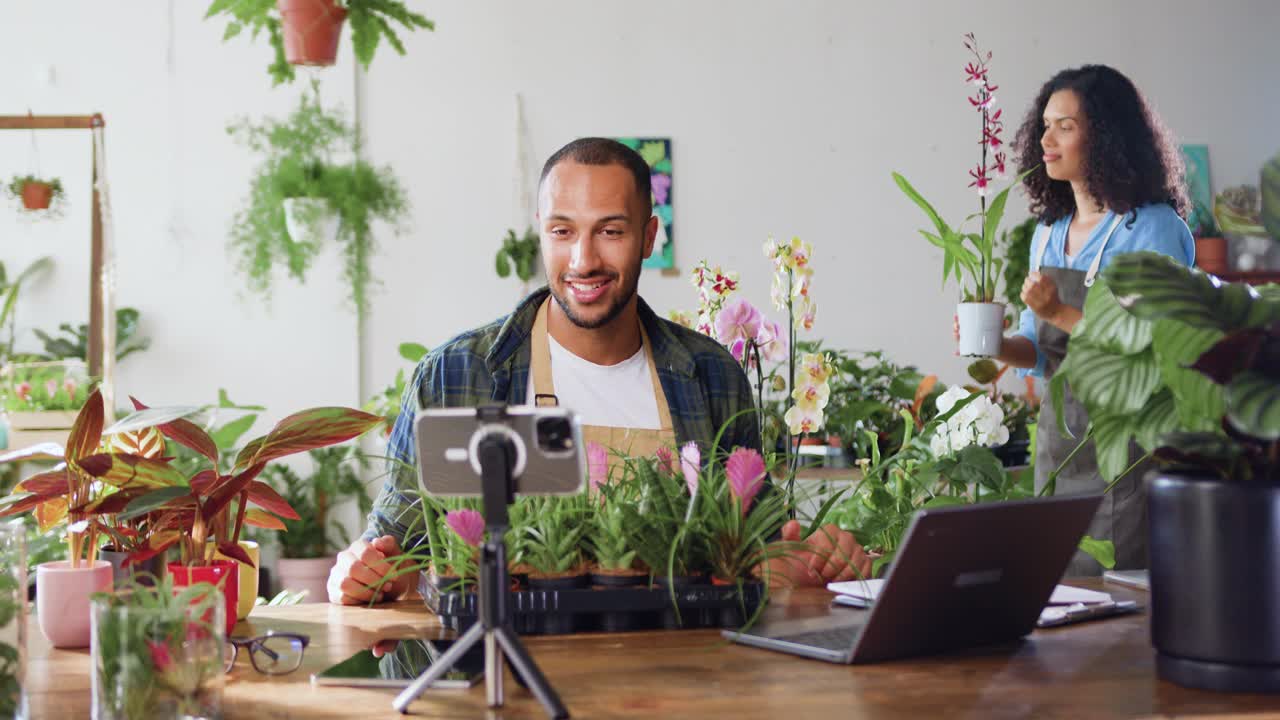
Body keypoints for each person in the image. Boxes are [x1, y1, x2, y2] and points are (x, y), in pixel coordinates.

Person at [331, 138, 871, 605]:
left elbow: (760, 553)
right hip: (515, 683)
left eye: (610, 231)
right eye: (563, 232)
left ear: (649, 236)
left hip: (680, 679)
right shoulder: (455, 375)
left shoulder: (711, 377)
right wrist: (363, 572)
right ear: (541, 232)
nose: (583, 260)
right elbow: (394, 554)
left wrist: (811, 561)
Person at [965, 65, 1194, 575]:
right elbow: (1041, 348)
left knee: (1120, 614)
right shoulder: (1049, 232)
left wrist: (1060, 311)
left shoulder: (1154, 228)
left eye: (1064, 126)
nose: (1046, 139)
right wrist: (994, 345)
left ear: (1106, 135)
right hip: (1061, 452)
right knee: (1059, 602)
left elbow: (1155, 349)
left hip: (1128, 457)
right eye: (1045, 125)